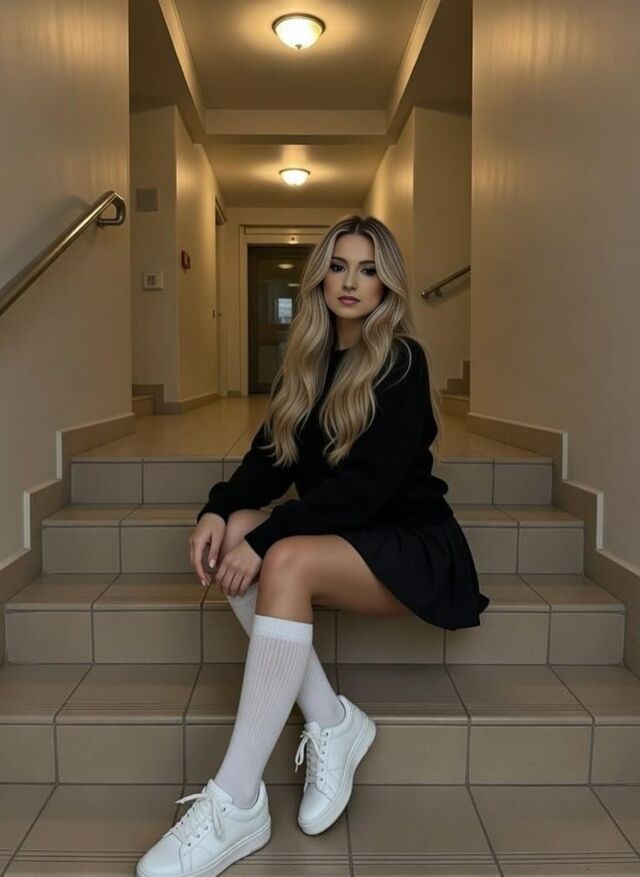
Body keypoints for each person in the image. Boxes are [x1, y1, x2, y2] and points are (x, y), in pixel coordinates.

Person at [136, 215, 490, 877]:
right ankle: (330, 719)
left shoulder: (401, 361)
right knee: (238, 532)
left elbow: (365, 490)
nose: (351, 282)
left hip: (411, 542)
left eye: (368, 269)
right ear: (320, 278)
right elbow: (268, 462)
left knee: (282, 554)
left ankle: (236, 800)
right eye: (339, 266)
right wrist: (218, 510)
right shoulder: (304, 362)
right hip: (349, 534)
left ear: (387, 285)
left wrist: (268, 537)